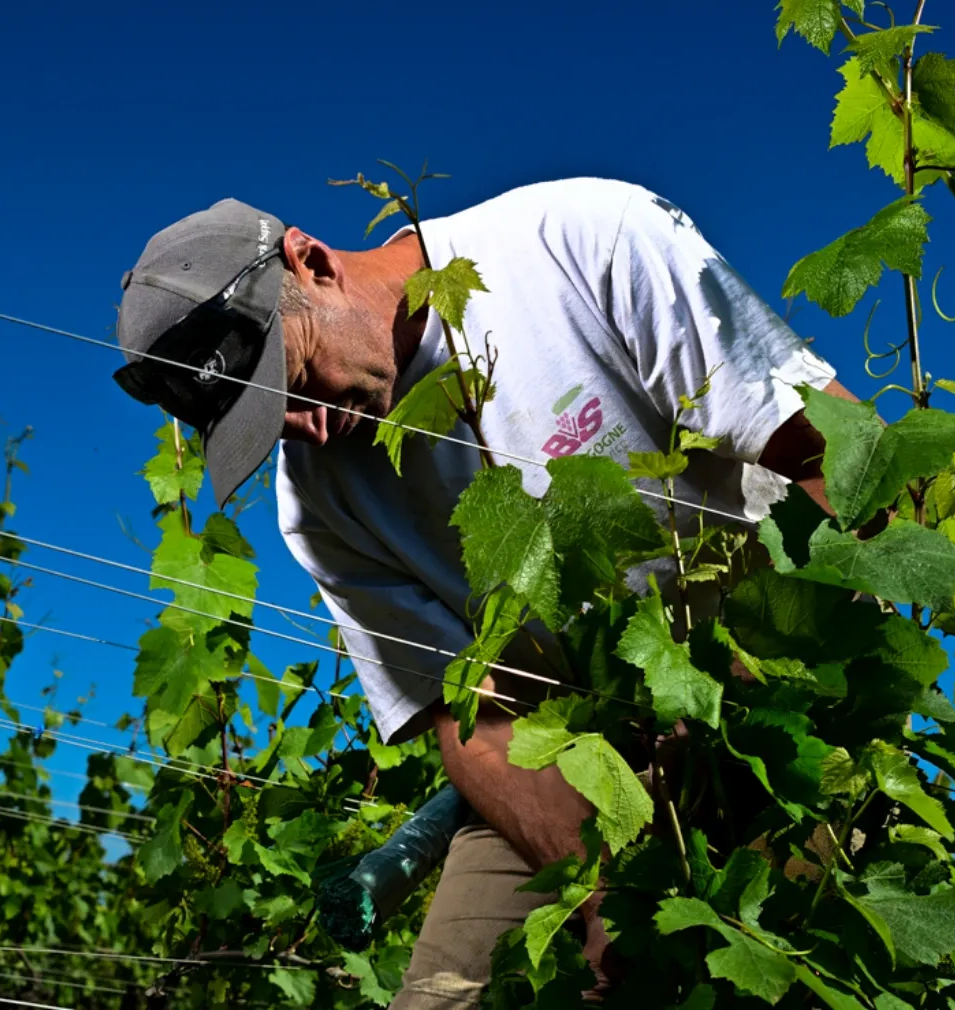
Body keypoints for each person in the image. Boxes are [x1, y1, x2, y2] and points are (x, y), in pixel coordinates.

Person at [109, 178, 852, 1008]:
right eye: (267, 421)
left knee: (801, 972)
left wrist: (832, 679)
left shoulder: (576, 242)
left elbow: (828, 449)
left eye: (297, 381)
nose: (306, 430)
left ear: (312, 261)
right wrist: (605, 892)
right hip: (562, 753)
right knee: (456, 995)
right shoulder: (317, 498)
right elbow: (468, 713)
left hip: (770, 691)